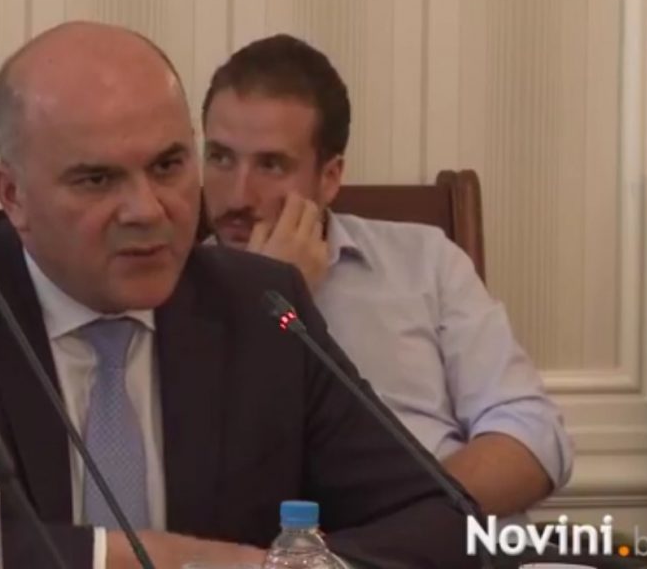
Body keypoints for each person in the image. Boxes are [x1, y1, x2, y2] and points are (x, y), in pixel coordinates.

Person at [0, 21, 479, 569]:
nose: (148, 210)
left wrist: (286, 567)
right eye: (97, 179)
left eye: (168, 166)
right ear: (12, 195)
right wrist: (142, 558)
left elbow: (447, 520)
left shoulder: (263, 308)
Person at [200, 34, 573, 521]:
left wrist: (411, 527)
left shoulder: (425, 260)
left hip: (456, 539)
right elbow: (213, 493)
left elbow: (532, 434)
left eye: (271, 164)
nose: (237, 195)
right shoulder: (173, 292)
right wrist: (273, 294)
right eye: (220, 158)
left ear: (330, 177)